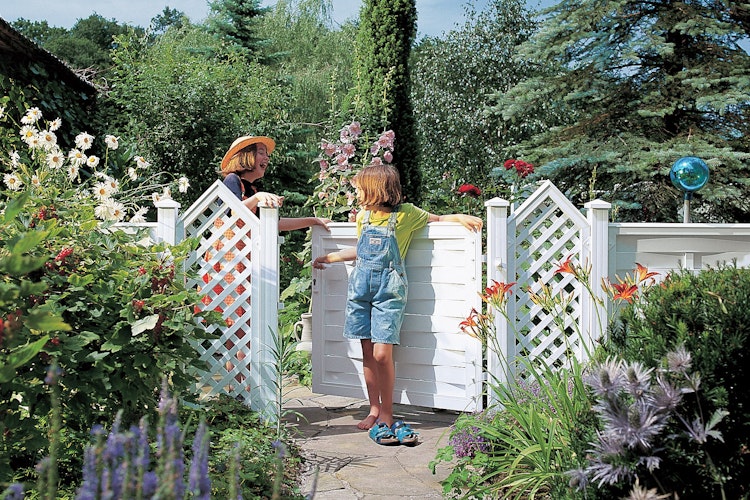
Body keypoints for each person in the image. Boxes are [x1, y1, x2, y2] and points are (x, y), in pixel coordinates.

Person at [312, 163, 483, 446]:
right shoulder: (363, 217)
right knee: (366, 351)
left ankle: (388, 414)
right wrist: (330, 258)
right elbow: (362, 250)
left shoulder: (406, 215)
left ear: (376, 189)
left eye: (359, 187)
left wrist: (459, 216)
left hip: (389, 292)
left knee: (381, 354)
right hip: (360, 289)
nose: (355, 192)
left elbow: (437, 219)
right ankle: (375, 410)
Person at [208, 135, 330, 390]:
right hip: (231, 263)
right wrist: (259, 197)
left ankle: (241, 391)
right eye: (261, 152)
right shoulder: (232, 182)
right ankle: (239, 390)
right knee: (238, 330)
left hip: (245, 262)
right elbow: (233, 211)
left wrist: (312, 220)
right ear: (247, 156)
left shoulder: (251, 190)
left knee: (245, 330)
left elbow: (273, 224)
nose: (267, 158)